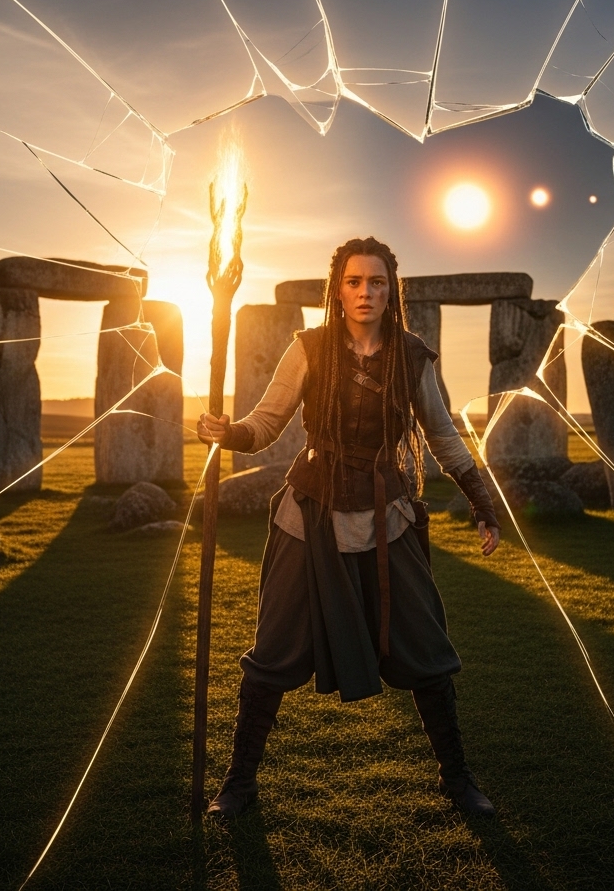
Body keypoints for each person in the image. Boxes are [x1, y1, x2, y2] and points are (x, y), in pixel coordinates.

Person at [197, 237, 501, 819]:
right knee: (274, 651)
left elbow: (443, 439)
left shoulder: (412, 357)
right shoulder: (309, 348)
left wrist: (482, 504)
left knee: (426, 647)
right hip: (307, 515)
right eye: (355, 282)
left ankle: (457, 779)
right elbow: (265, 423)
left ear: (393, 291)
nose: (366, 292)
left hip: (387, 517)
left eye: (378, 282)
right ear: (338, 289)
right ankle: (238, 785)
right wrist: (227, 432)